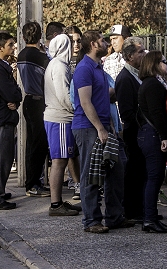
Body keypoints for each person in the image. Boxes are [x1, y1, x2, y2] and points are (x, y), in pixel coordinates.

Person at [72, 30, 131, 233]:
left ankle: (114, 216)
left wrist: (110, 127)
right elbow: (85, 101)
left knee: (116, 170)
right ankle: (91, 221)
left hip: (104, 126)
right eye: (102, 40)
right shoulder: (84, 69)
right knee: (91, 173)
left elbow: (103, 98)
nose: (106, 43)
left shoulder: (98, 67)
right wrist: (99, 128)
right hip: (88, 128)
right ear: (94, 45)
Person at [138, 50, 167, 233]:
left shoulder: (152, 83)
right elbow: (156, 114)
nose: (166, 64)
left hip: (150, 134)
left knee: (154, 177)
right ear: (154, 65)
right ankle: (150, 219)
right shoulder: (152, 85)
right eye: (163, 61)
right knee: (154, 177)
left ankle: (150, 216)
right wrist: (164, 136)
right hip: (153, 135)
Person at [44, 34, 81, 216]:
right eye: (71, 43)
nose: (74, 46)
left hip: (60, 117)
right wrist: (76, 109)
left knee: (63, 159)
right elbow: (63, 94)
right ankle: (56, 203)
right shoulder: (59, 66)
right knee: (59, 161)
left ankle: (57, 201)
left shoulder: (57, 64)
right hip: (60, 118)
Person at [0, 32, 23, 210]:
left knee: (5, 158)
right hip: (1, 118)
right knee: (1, 159)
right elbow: (13, 93)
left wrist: (15, 99)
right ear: (0, 48)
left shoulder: (2, 67)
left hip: (5, 117)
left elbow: (15, 94)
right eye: (10, 45)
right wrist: (15, 97)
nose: (13, 47)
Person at [115, 36, 149, 221]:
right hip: (134, 133)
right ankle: (132, 210)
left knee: (142, 172)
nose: (144, 54)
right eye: (140, 52)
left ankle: (141, 208)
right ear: (129, 56)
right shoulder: (125, 78)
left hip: (142, 132)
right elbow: (127, 112)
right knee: (134, 172)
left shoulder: (138, 75)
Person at [17, 21, 51, 197]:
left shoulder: (21, 54)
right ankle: (34, 183)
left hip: (28, 99)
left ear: (23, 37)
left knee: (31, 143)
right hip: (40, 102)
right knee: (39, 145)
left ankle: (31, 181)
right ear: (40, 36)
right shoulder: (41, 57)